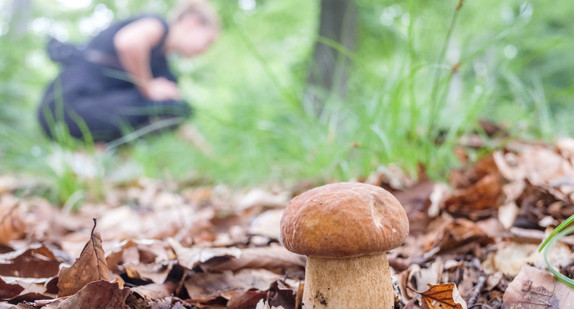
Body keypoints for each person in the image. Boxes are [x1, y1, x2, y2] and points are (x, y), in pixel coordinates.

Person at [37, 0, 219, 143]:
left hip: (91, 110)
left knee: (177, 108)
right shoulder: (158, 26)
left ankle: (100, 157)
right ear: (192, 23)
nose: (204, 50)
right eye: (208, 41)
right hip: (65, 105)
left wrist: (213, 157)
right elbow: (129, 42)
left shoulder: (162, 71)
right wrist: (147, 86)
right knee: (174, 106)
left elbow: (176, 119)